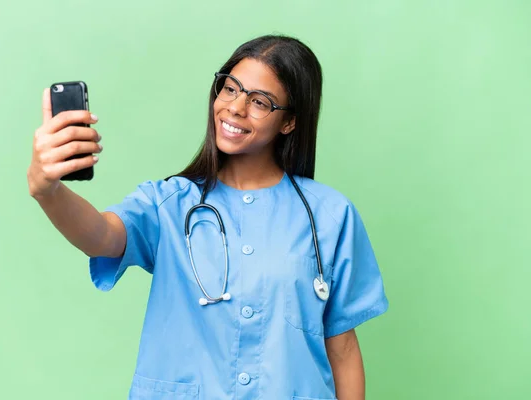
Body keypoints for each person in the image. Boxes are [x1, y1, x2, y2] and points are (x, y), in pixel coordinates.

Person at [28, 35, 388, 400]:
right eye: (230, 88)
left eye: (259, 101)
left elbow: (342, 349)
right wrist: (48, 190)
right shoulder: (168, 202)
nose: (235, 107)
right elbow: (102, 236)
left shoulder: (329, 215)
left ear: (289, 123)